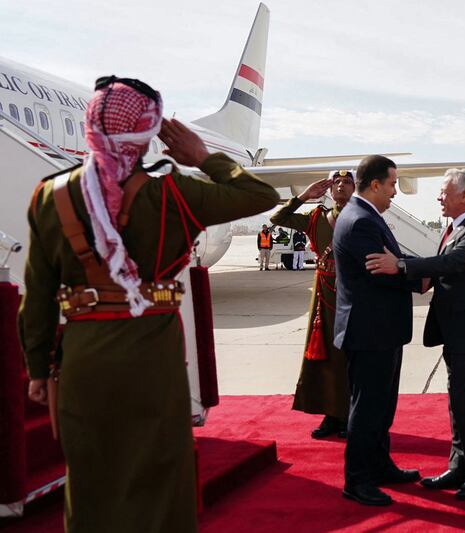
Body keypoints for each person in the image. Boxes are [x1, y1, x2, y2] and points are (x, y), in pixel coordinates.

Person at [18, 77, 279, 531]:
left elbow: (37, 297)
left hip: (83, 361)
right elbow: (262, 196)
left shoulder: (49, 196)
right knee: (161, 479)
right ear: (147, 135)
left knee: (90, 481)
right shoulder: (174, 193)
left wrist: (38, 370)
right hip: (151, 360)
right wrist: (201, 157)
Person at [366, 168, 465, 500]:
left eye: (444, 191)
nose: (439, 197)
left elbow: (453, 263)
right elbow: (442, 267)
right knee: (458, 403)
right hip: (458, 332)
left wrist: (400, 265)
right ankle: (460, 467)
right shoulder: (453, 228)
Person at [333, 155, 421, 506]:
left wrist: (406, 268)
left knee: (382, 406)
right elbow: (382, 271)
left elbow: (392, 264)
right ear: (374, 185)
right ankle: (356, 480)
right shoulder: (359, 222)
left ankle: (380, 465)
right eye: (392, 184)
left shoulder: (366, 217)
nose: (395, 192)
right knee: (368, 407)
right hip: (370, 331)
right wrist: (424, 274)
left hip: (380, 329)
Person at [270, 170, 356, 439]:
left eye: (347, 183)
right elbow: (278, 218)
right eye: (337, 183)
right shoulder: (316, 217)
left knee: (345, 356)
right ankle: (329, 415)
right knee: (322, 356)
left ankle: (347, 415)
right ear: (329, 190)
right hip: (322, 292)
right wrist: (305, 196)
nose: (341, 186)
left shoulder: (359, 217)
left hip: (349, 293)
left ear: (355, 189)